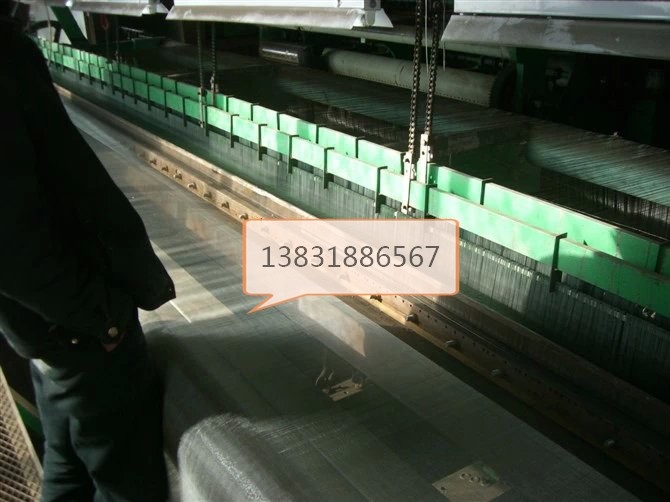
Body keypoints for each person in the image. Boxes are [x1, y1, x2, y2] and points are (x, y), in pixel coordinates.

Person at [0, 4, 176, 501]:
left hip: (46, 327)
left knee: (67, 464)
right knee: (127, 487)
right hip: (78, 329)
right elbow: (10, 243)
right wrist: (103, 319)